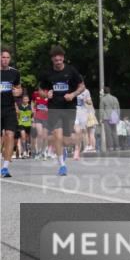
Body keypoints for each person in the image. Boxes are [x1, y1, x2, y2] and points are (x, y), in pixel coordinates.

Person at [37, 46, 86, 176]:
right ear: (52, 60)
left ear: (63, 58)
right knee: (57, 135)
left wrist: (73, 94)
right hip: (54, 107)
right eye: (55, 60)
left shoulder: (71, 71)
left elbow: (82, 86)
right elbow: (40, 90)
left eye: (60, 60)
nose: (58, 62)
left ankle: (64, 149)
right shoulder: (47, 73)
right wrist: (46, 95)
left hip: (69, 107)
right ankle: (62, 165)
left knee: (66, 140)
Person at [1, 48, 23, 177]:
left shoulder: (15, 73)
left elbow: (19, 89)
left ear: (10, 59)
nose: (5, 60)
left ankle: (5, 168)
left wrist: (18, 92)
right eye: (3, 57)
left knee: (10, 135)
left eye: (7, 57)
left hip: (9, 108)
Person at [99, 86, 121, 153]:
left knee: (108, 133)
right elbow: (118, 108)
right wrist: (118, 117)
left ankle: (110, 147)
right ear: (109, 91)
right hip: (114, 116)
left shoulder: (103, 99)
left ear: (104, 92)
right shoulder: (115, 98)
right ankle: (117, 146)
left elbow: (101, 110)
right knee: (114, 132)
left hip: (106, 117)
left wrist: (101, 118)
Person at [31, 86, 50, 160]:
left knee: (45, 136)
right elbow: (33, 103)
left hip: (46, 117)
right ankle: (38, 151)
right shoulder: (35, 94)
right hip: (38, 117)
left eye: (40, 90)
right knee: (39, 134)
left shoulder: (49, 94)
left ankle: (44, 151)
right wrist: (33, 110)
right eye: (38, 90)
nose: (39, 91)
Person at [17, 94, 33, 159]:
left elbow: (32, 115)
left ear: (28, 100)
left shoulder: (30, 107)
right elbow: (18, 115)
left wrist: (32, 119)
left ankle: (29, 150)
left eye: (26, 99)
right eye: (24, 99)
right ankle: (24, 152)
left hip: (29, 124)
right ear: (22, 100)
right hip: (21, 124)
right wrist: (18, 120)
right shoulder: (19, 106)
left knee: (28, 138)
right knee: (23, 137)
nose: (25, 100)